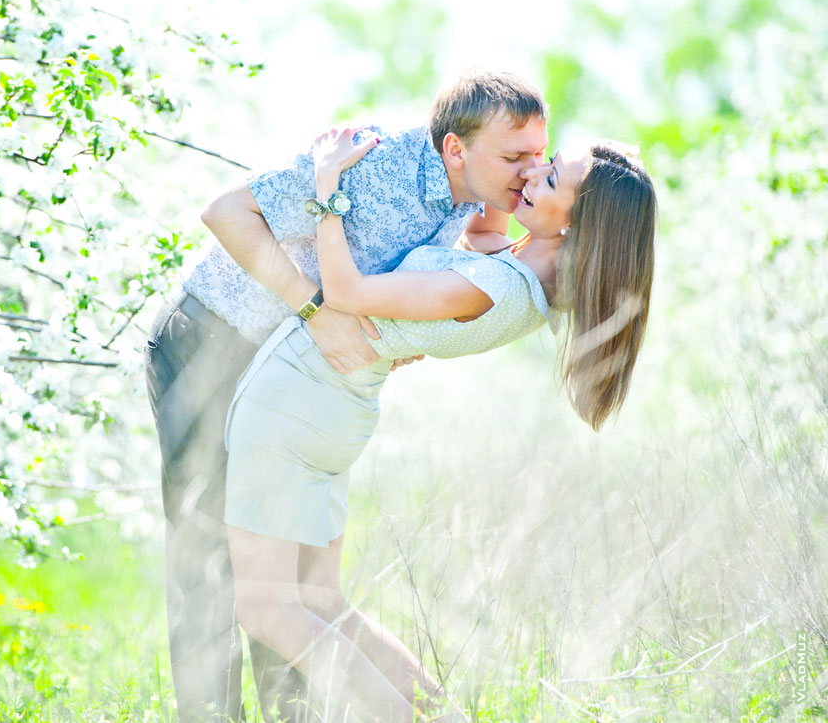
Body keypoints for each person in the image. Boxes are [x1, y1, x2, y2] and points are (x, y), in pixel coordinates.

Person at [144, 70, 548, 723]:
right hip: (213, 344)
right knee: (210, 553)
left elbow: (480, 247)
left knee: (288, 574)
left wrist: (406, 327)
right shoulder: (370, 161)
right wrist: (317, 310)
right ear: (455, 149)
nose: (532, 170)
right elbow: (225, 211)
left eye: (539, 154)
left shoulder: (480, 190)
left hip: (292, 378)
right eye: (515, 157)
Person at [221, 128, 657, 722]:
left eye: (549, 177)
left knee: (268, 609)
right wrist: (496, 171)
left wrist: (328, 186)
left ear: (579, 225)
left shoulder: (497, 288)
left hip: (297, 403)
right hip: (331, 407)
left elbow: (345, 292)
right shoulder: (526, 269)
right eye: (538, 162)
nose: (532, 174)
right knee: (322, 602)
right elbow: (482, 230)